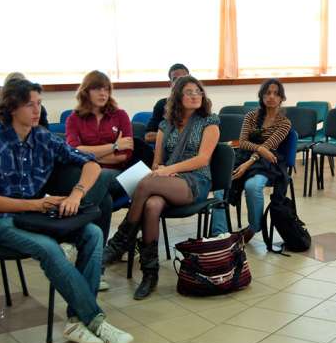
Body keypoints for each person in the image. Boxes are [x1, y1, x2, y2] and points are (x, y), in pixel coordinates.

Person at [0, 79, 133, 343]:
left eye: (39, 103)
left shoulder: (42, 138)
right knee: (49, 249)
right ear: (12, 107)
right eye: (30, 104)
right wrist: (39, 204)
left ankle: (76, 321)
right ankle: (95, 320)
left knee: (93, 233)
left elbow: (90, 164)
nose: (37, 110)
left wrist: (77, 194)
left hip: (35, 215)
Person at [103, 76, 220, 300]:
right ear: (177, 97)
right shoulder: (165, 125)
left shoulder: (209, 121)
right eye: (189, 92)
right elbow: (156, 162)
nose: (195, 95)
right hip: (167, 179)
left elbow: (202, 160)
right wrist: (163, 169)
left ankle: (122, 239)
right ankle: (150, 274)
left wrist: (168, 170)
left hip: (196, 180)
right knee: (152, 204)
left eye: (198, 91)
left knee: (146, 182)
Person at [211, 78, 292, 242]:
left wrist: (250, 162)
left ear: (281, 98)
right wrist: (260, 149)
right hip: (244, 156)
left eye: (276, 93)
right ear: (261, 96)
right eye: (267, 93)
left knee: (252, 186)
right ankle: (220, 235)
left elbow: (269, 146)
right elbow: (242, 142)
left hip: (268, 162)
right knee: (220, 187)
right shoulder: (251, 116)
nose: (271, 97)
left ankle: (254, 227)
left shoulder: (284, 123)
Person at [66, 70, 133, 199]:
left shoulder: (120, 115)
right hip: (84, 171)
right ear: (86, 92)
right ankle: (89, 216)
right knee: (105, 199)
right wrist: (114, 146)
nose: (103, 94)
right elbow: (72, 151)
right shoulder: (74, 118)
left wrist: (86, 154)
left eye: (106, 89)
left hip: (115, 172)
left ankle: (80, 214)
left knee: (100, 175)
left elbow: (124, 155)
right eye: (97, 89)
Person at [144, 63, 190, 143]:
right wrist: (177, 135)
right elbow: (148, 136)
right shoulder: (162, 104)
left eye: (183, 78)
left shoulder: (199, 103)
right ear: (170, 83)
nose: (180, 82)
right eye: (175, 79)